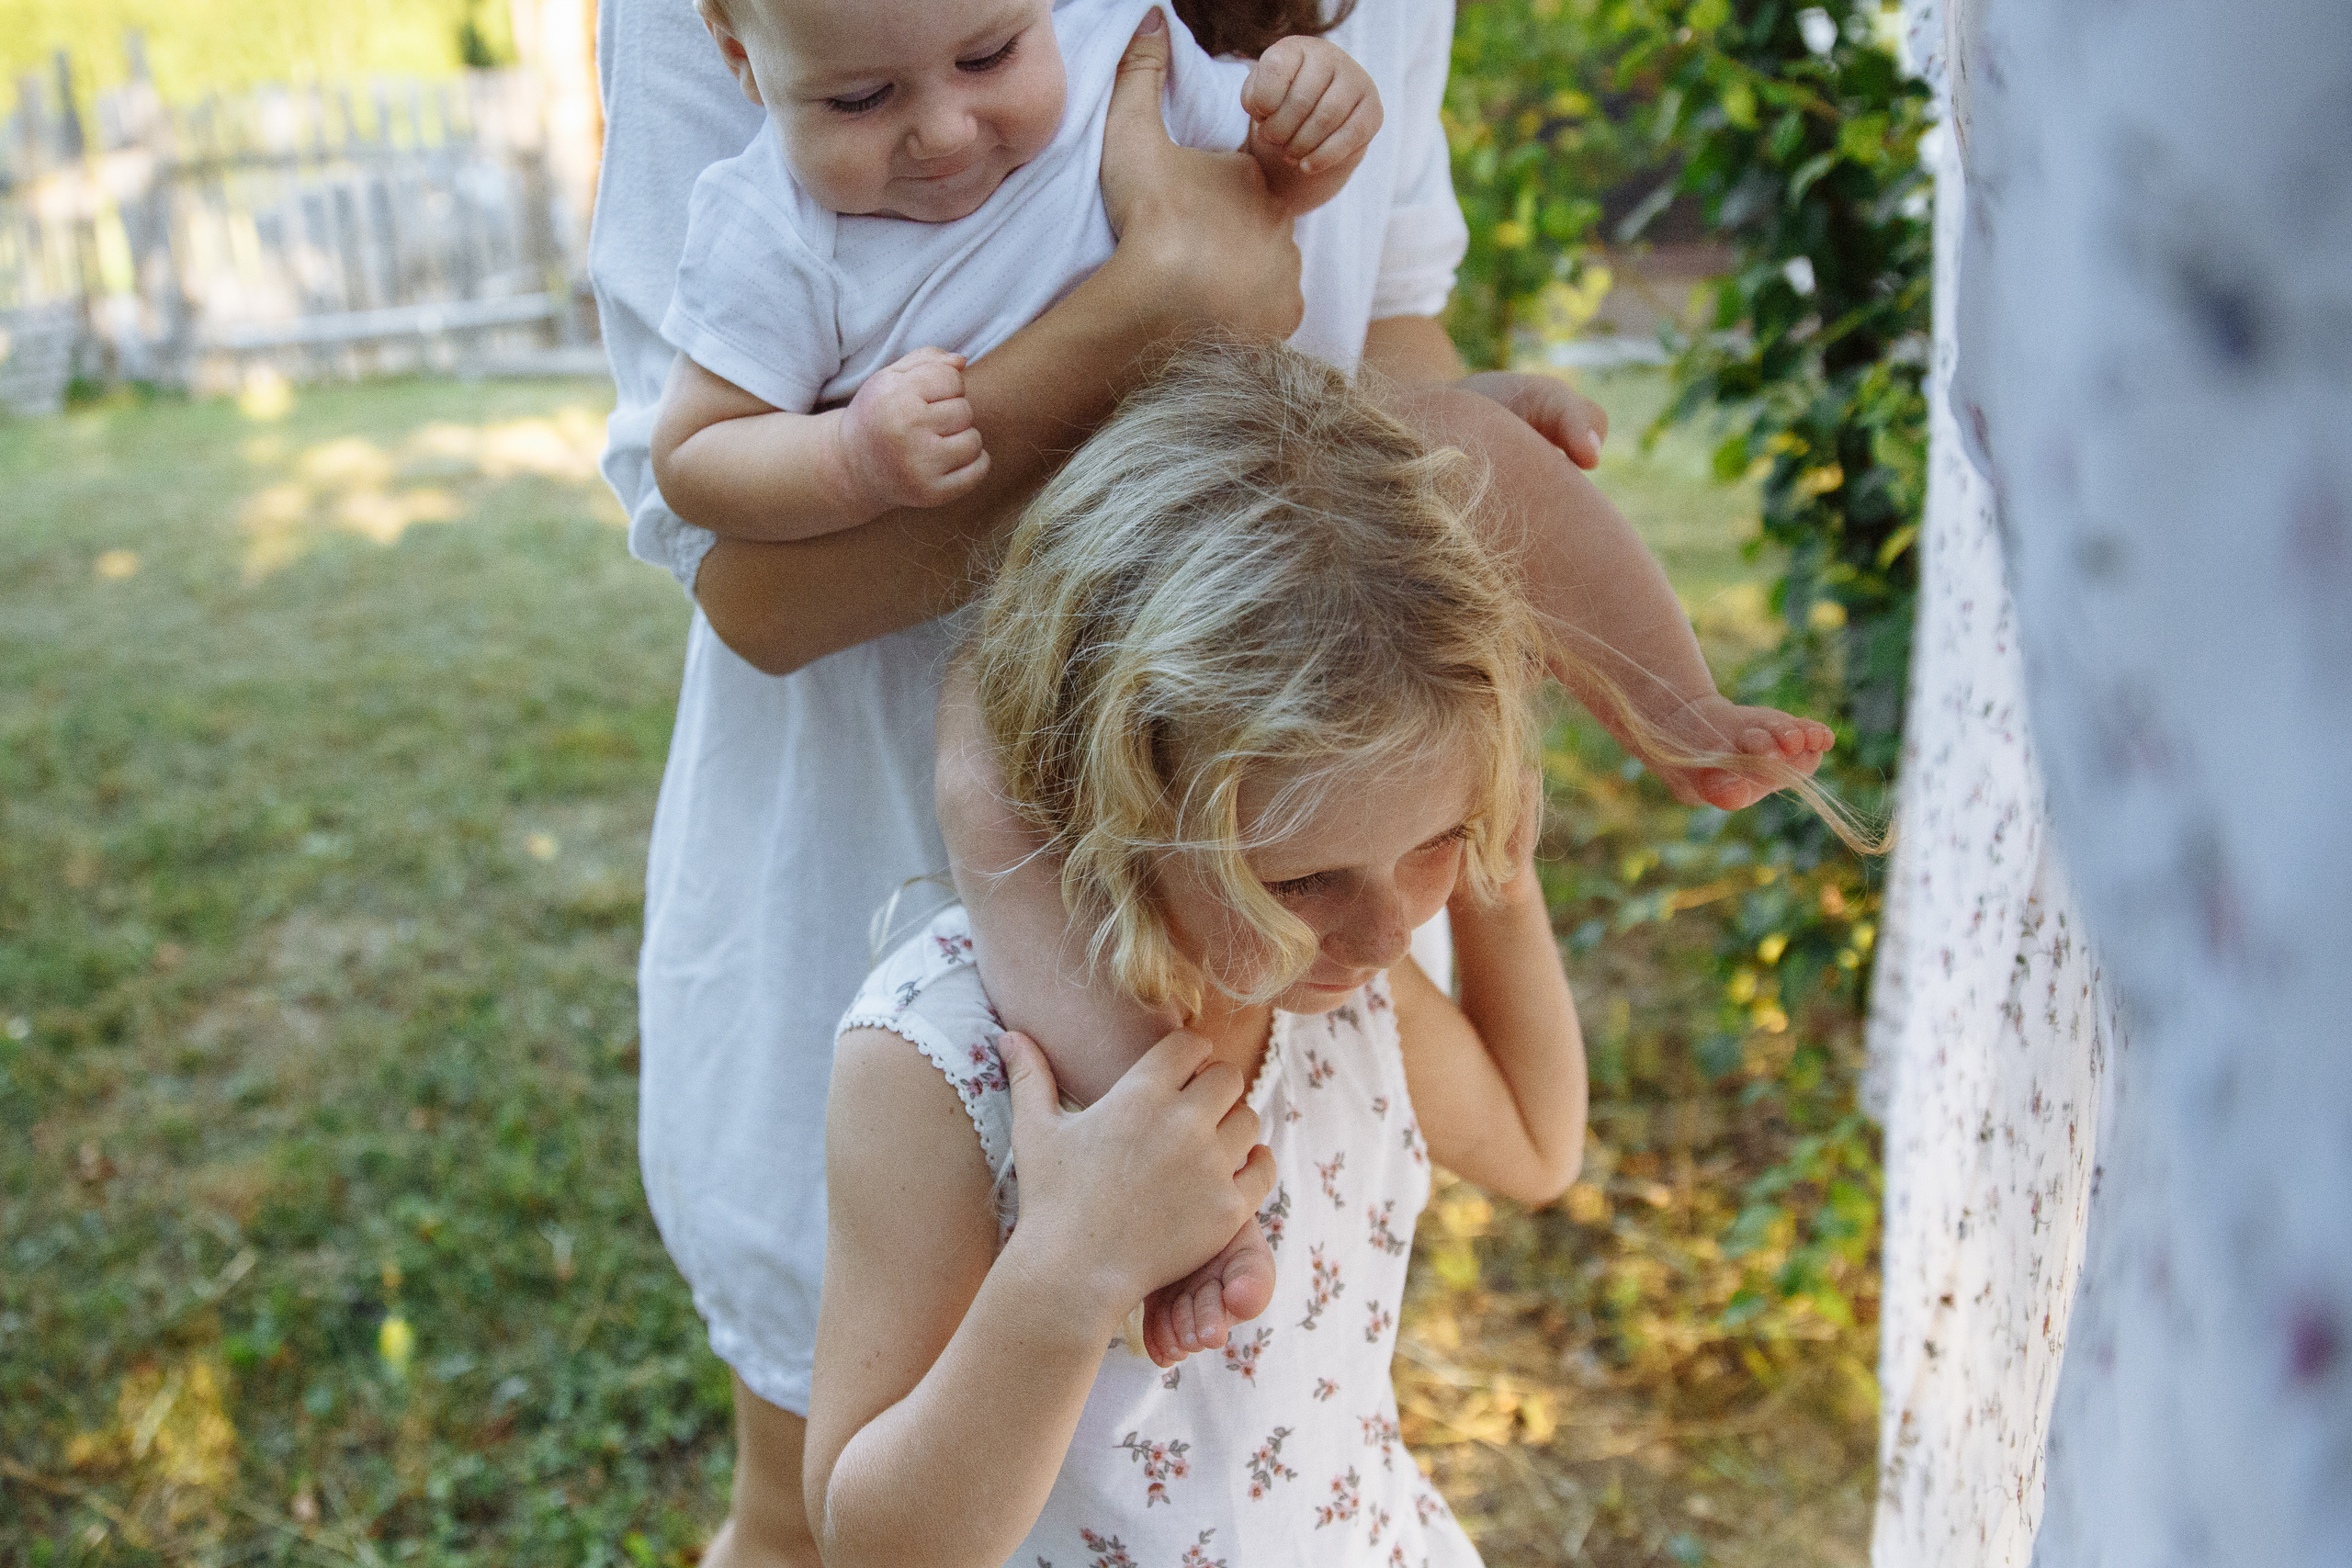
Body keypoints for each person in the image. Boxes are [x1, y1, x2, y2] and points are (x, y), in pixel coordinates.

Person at [591, 3, 1829, 1561]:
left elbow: (1384, 335)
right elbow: (743, 572)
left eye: (987, 61)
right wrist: (1149, 320)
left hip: (1274, 821)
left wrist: (1444, 795)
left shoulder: (1343, 964)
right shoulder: (931, 1049)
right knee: (795, 1506)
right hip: (913, 860)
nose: (946, 116)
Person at [808, 339, 1585, 1566]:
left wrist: (1499, 859)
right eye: (1303, 876)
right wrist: (1067, 1268)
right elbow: (872, 1543)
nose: (1391, 934)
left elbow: (1539, 1145)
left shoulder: (1332, 992)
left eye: (1434, 839)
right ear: (1113, 792)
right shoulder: (945, 1062)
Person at [647, 0, 1385, 543]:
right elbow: (691, 455)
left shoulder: (1115, 50)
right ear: (740, 55)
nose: (943, 134)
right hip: (985, 611)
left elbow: (1258, 210)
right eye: (860, 99)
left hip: (1214, 537)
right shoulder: (773, 229)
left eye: (989, 57)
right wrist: (848, 459)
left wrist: (1307, 133)